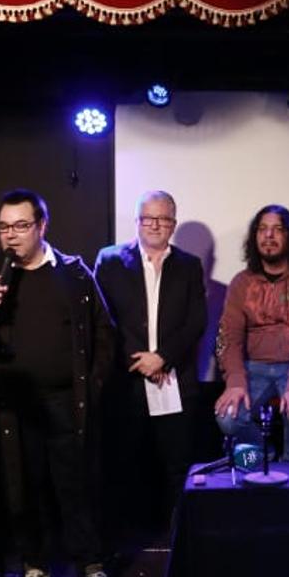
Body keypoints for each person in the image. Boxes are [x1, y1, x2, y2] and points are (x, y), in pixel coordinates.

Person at [0, 188, 120, 577]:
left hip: (66, 402)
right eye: (4, 227)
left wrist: (91, 387)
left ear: (42, 226)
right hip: (15, 404)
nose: (11, 236)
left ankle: (90, 569)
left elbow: (104, 333)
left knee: (75, 488)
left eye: (21, 226)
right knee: (26, 488)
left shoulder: (75, 274)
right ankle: (34, 566)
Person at [95, 190, 207, 515]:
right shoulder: (110, 260)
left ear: (173, 224)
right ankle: (121, 545)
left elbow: (195, 321)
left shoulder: (189, 265)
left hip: (175, 381)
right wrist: (141, 359)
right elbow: (105, 318)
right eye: (148, 218)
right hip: (127, 379)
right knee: (123, 466)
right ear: (137, 221)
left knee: (177, 467)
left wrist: (162, 358)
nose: (155, 225)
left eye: (163, 219)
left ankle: (177, 541)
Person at [214, 204, 289, 461]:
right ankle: (267, 454)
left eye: (277, 230)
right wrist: (235, 383)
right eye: (262, 229)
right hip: (254, 367)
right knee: (227, 417)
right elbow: (229, 336)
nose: (269, 236)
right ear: (255, 237)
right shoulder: (241, 283)